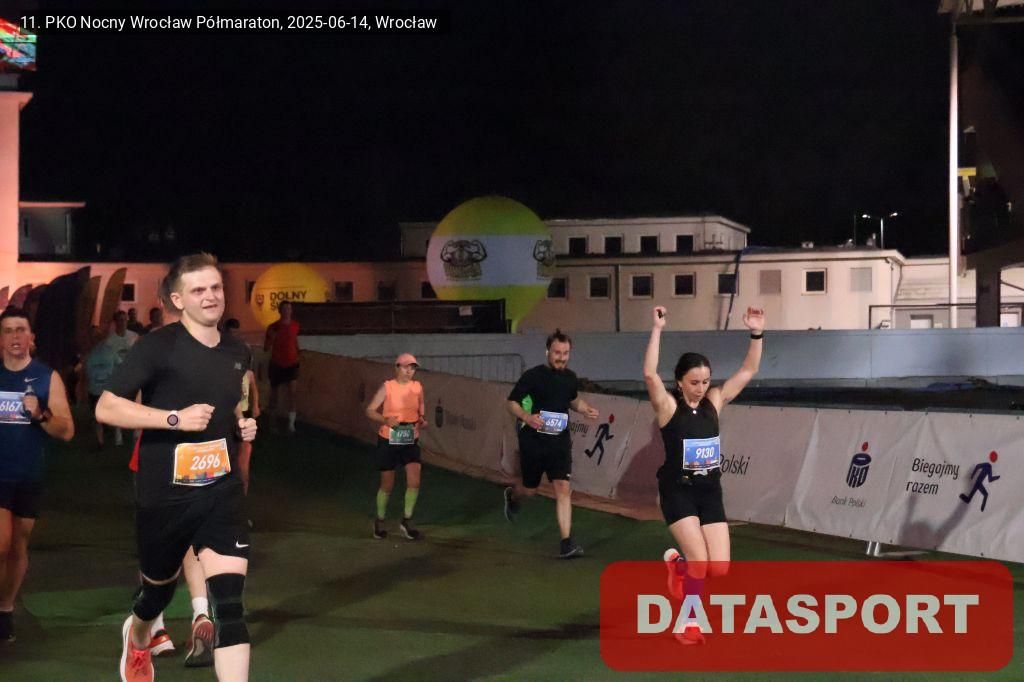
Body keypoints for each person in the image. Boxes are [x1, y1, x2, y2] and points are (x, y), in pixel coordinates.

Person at [96, 254, 257, 682]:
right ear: (178, 300)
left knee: (230, 607)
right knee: (157, 593)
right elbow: (106, 407)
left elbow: (233, 404)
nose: (211, 296)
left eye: (216, 287)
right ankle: (138, 634)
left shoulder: (238, 351)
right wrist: (174, 418)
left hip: (221, 492)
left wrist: (243, 424)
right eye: (198, 290)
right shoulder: (157, 347)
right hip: (164, 495)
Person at [643, 305, 763, 645]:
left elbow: (749, 369)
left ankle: (678, 567)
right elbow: (650, 374)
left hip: (710, 492)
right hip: (677, 490)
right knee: (700, 561)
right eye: (694, 382)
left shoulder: (715, 401)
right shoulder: (668, 407)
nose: (700, 387)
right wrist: (657, 329)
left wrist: (756, 332)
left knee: (719, 568)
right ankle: (688, 624)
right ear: (680, 382)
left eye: (706, 381)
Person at [0, 306, 74, 643]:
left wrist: (41, 415)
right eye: (8, 330)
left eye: (20, 330)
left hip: (28, 473)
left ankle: (5, 609)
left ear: (32, 337)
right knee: (1, 543)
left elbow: (66, 430)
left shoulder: (46, 377)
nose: (15, 336)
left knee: (18, 545)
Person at [503, 329, 599, 559]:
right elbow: (511, 402)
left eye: (565, 353)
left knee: (563, 489)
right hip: (533, 443)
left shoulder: (570, 377)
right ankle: (513, 496)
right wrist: (527, 417)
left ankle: (566, 543)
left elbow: (573, 399)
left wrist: (585, 409)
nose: (561, 358)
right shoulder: (533, 376)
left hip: (559, 443)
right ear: (548, 352)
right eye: (557, 353)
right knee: (530, 490)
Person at [364, 353, 427, 541]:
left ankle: (406, 521)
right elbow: (369, 410)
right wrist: (385, 420)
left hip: (410, 440)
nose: (409, 371)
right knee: (387, 484)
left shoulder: (417, 387)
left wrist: (421, 420)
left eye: (412, 368)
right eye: (406, 367)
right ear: (396, 367)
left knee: (414, 480)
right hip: (389, 440)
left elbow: (420, 409)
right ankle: (379, 520)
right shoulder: (388, 387)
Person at [224, 318, 259, 496]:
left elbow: (252, 386)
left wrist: (255, 406)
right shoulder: (222, 355)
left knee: (244, 454)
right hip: (228, 415)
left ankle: (241, 495)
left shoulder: (247, 370)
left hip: (241, 414)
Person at [264, 300, 299, 433]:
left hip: (292, 364)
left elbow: (294, 340)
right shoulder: (273, 327)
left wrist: (298, 353)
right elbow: (266, 347)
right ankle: (272, 423)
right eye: (284, 309)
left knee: (293, 394)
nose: (287, 311)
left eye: (289, 309)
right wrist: (272, 337)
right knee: (275, 395)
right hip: (277, 364)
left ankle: (291, 425)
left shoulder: (295, 325)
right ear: (280, 311)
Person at [106, 310, 139, 447]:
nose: (123, 323)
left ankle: (136, 432)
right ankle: (118, 433)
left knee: (135, 403)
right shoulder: (110, 340)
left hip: (133, 375)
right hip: (117, 375)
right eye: (120, 320)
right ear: (115, 322)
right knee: (118, 404)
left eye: (125, 320)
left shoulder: (134, 336)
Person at [84, 325, 118, 449]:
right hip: (95, 390)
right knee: (97, 416)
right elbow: (86, 374)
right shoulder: (88, 354)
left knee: (107, 415)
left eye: (97, 334)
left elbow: (118, 365)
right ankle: (100, 441)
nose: (95, 337)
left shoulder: (110, 350)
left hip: (107, 390)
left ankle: (113, 435)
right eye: (93, 335)